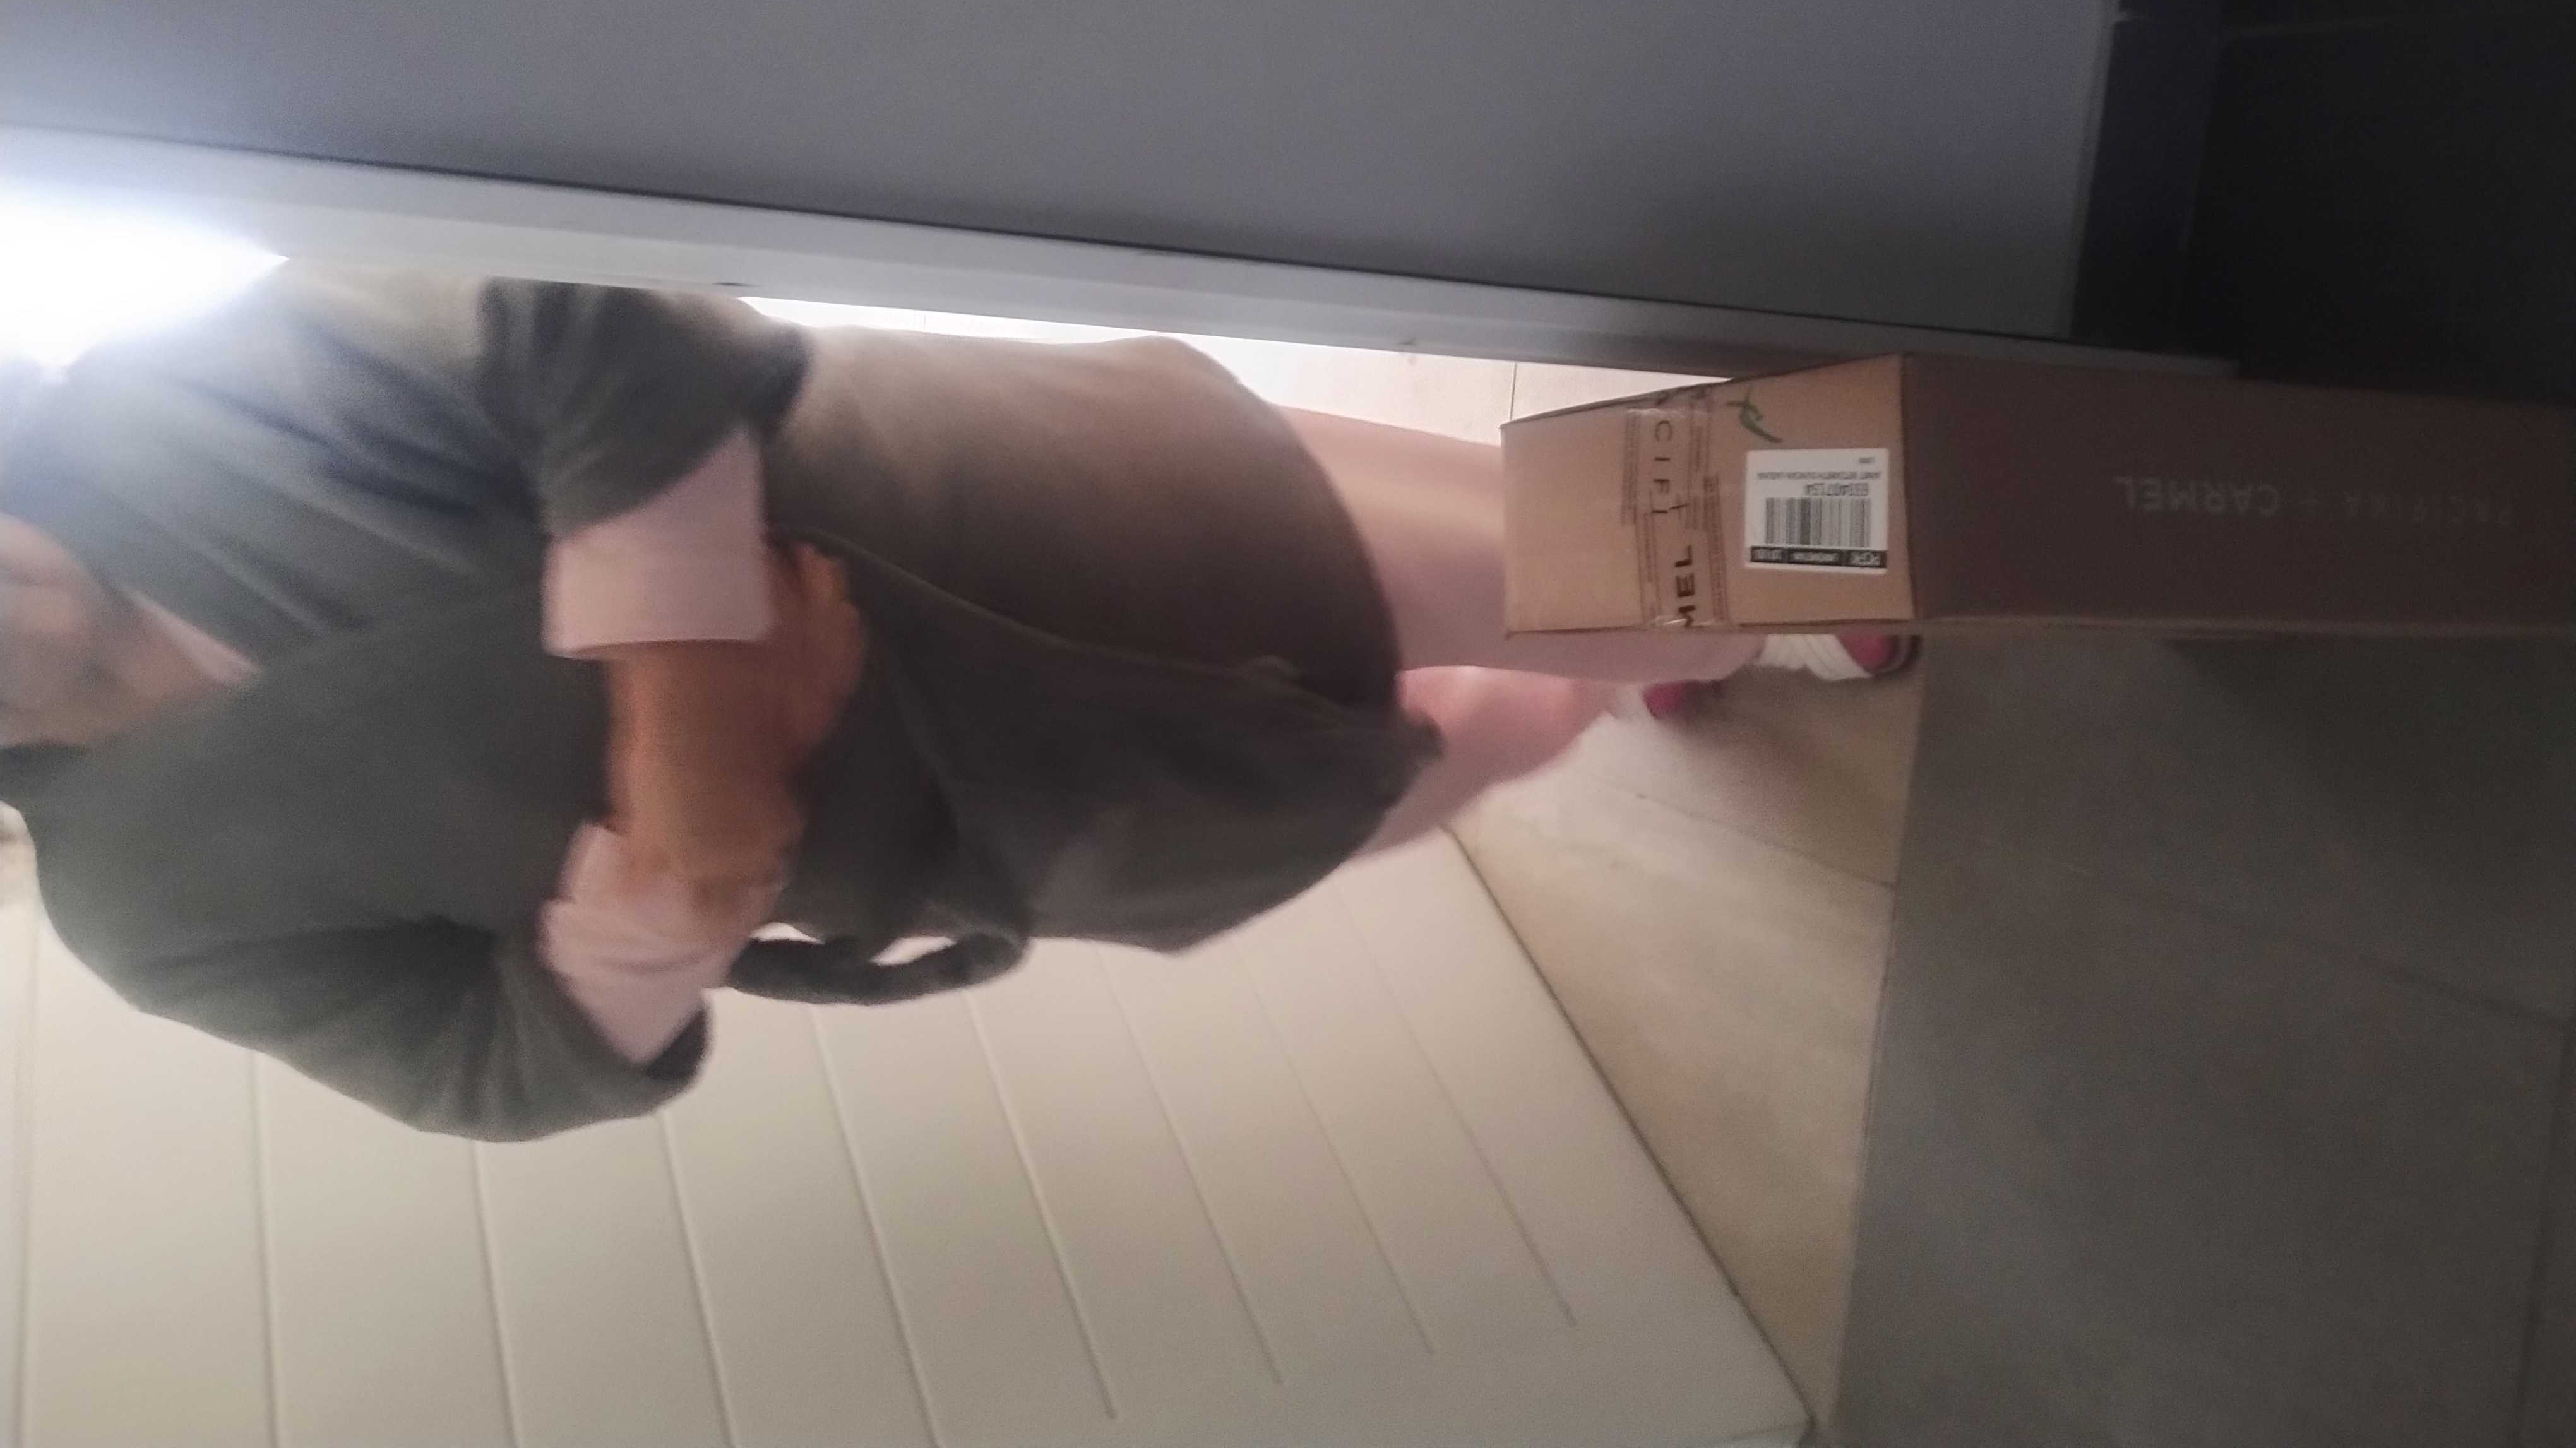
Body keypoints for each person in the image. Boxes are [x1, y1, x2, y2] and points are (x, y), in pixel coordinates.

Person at [0, 267, 1902, 1138]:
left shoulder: (160, 402)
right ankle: (1688, 656)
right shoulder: (142, 904)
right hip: (1003, 817)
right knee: (1445, 760)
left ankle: (1965, 526)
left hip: (1024, 510)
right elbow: (479, 1067)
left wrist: (695, 720)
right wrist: (666, 898)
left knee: (1604, 544)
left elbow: (578, 318)